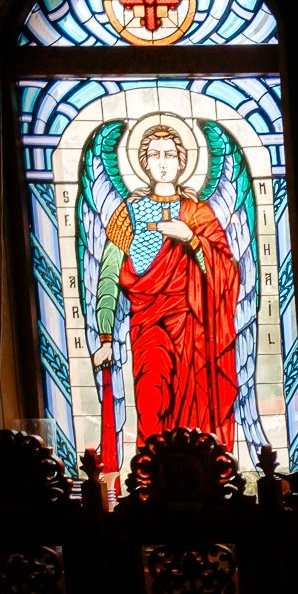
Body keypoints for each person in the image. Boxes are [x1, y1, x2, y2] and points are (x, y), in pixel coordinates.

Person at [90, 125, 240, 450]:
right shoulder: (126, 213)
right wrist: (104, 337)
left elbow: (226, 272)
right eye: (155, 155)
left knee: (194, 412)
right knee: (150, 399)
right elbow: (109, 275)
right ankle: (150, 478)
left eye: (170, 155)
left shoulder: (198, 213)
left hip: (191, 328)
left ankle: (198, 477)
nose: (162, 162)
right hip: (147, 327)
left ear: (181, 161)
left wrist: (191, 239)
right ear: (143, 161)